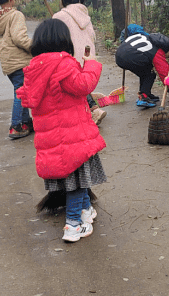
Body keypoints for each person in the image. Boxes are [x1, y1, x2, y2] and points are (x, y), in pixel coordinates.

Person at [17, 18, 107, 243]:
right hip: (72, 138)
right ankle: (73, 225)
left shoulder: (34, 69)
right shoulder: (62, 64)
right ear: (63, 40)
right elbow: (83, 86)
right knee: (77, 183)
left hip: (53, 141)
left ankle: (86, 211)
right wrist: (92, 64)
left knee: (78, 180)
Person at [53, 0, 107, 125]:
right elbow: (93, 36)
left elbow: (55, 39)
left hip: (70, 57)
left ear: (64, 0)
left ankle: (94, 109)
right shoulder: (85, 15)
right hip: (87, 55)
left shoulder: (60, 16)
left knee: (74, 86)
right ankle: (91, 108)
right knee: (81, 84)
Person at [0, 0, 34, 139]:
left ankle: (25, 122)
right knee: (20, 92)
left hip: (8, 62)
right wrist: (35, 47)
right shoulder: (15, 15)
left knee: (21, 90)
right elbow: (19, 38)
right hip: (19, 61)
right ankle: (15, 125)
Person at [114, 24, 169, 108]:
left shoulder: (144, 37)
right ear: (167, 49)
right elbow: (164, 72)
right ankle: (143, 97)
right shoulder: (157, 50)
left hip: (119, 55)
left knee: (145, 72)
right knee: (150, 74)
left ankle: (146, 94)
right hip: (131, 57)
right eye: (168, 55)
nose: (166, 57)